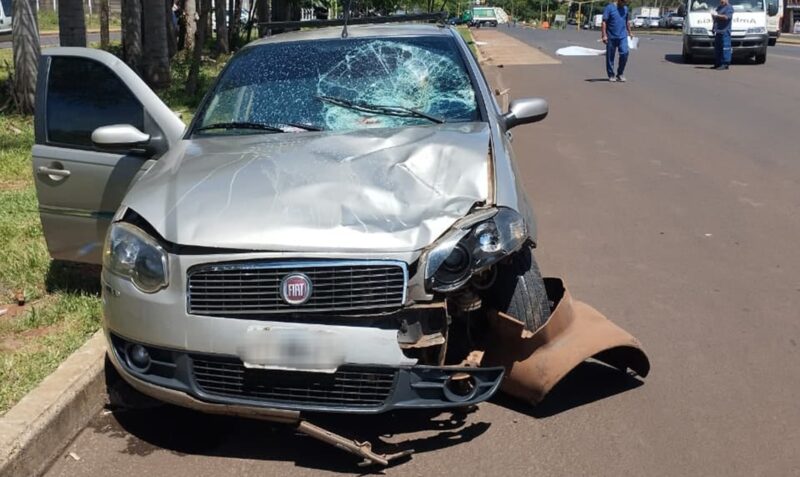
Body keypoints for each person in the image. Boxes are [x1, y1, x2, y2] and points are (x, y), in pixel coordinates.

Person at [601, 0, 633, 82]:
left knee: (625, 53)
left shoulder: (625, 9)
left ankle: (620, 73)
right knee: (610, 57)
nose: (624, 4)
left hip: (623, 36)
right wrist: (604, 35)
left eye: (626, 3)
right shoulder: (609, 8)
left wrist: (630, 32)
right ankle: (611, 74)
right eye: (624, 2)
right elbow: (604, 22)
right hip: (611, 36)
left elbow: (627, 21)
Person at [711, 0, 734, 70]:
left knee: (725, 47)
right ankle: (718, 63)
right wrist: (713, 27)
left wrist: (717, 15)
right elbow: (715, 19)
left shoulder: (729, 8)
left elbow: (726, 17)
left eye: (723, 0)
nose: (721, 1)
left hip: (725, 31)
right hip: (718, 31)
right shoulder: (719, 8)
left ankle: (725, 63)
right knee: (718, 48)